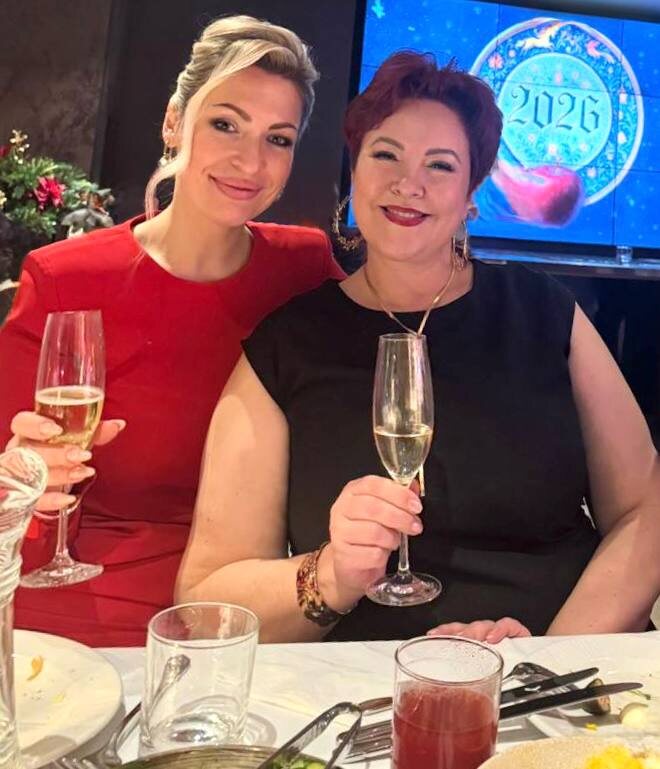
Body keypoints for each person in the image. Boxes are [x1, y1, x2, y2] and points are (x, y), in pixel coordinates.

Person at [176, 51, 660, 643]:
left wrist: (548, 661)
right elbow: (204, 604)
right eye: (386, 155)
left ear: (471, 194)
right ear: (354, 170)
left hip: (555, 672)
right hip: (370, 682)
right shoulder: (288, 344)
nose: (409, 184)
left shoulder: (543, 312)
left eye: (441, 165)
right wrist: (330, 574)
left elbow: (645, 512)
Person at [0, 15, 344, 647]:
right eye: (225, 124)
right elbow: (14, 498)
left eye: (279, 139)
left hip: (252, 613)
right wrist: (25, 480)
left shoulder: (304, 267)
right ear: (173, 122)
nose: (250, 161)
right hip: (95, 607)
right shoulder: (65, 279)